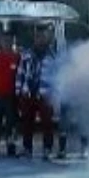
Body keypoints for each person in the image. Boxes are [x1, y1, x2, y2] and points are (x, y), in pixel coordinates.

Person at [17, 23, 60, 160]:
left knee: (47, 123)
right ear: (34, 38)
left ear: (47, 38)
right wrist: (19, 90)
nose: (40, 39)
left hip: (45, 94)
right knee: (27, 122)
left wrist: (55, 94)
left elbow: (57, 76)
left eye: (42, 37)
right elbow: (20, 73)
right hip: (28, 92)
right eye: (37, 37)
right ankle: (27, 148)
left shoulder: (53, 56)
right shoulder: (26, 55)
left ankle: (47, 149)